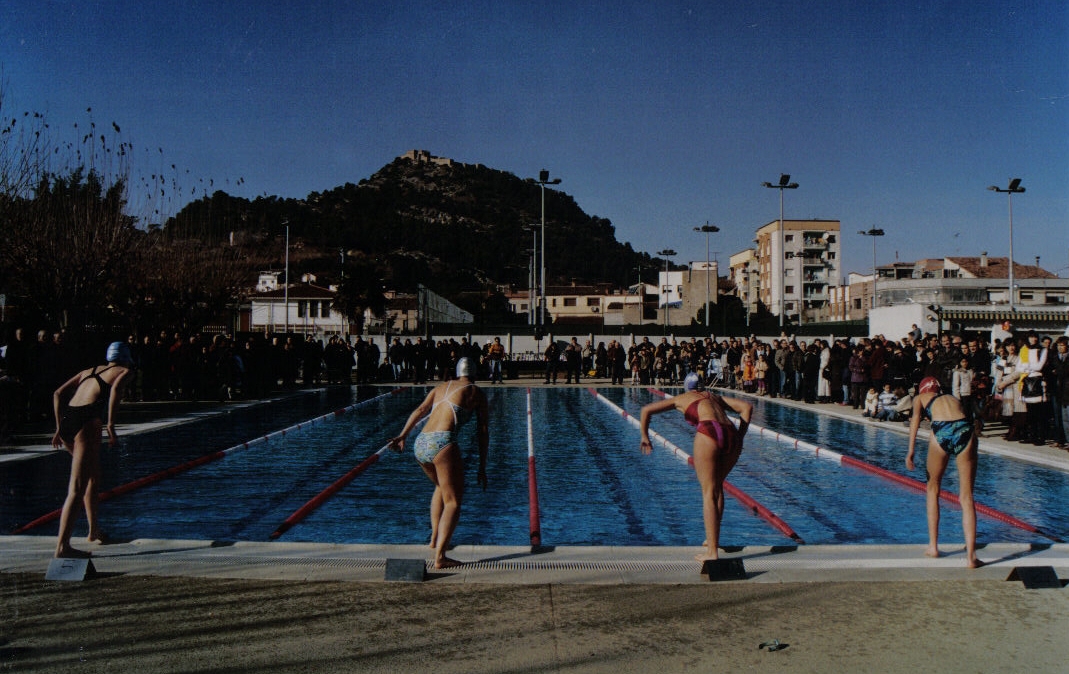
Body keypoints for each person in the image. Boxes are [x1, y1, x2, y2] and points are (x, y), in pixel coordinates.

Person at [638, 372, 753, 562]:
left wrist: (644, 436)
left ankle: (712, 553)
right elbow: (746, 407)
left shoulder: (682, 398)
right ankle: (712, 540)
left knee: (708, 492)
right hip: (731, 434)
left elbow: (646, 410)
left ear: (686, 387)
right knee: (718, 487)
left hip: (708, 432)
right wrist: (740, 436)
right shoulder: (713, 396)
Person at [388, 357, 489, 569]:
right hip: (442, 442)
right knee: (453, 502)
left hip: (421, 442)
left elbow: (420, 410)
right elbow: (483, 431)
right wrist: (482, 466)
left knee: (440, 487)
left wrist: (402, 435)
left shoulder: (441, 386)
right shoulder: (475, 392)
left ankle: (434, 540)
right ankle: (441, 557)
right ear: (476, 373)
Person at [51, 341, 134, 559]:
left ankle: (93, 531)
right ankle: (62, 546)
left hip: (69, 421)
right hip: (86, 423)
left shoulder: (89, 370)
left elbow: (58, 394)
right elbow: (115, 389)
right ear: (126, 357)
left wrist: (59, 426)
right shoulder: (124, 371)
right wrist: (111, 424)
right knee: (77, 487)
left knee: (93, 477)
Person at [906, 377, 981, 568]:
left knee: (932, 488)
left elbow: (915, 421)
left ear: (922, 390)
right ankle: (971, 557)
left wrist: (911, 451)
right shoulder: (953, 397)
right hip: (965, 430)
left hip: (942, 431)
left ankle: (933, 546)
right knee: (966, 497)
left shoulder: (920, 399)